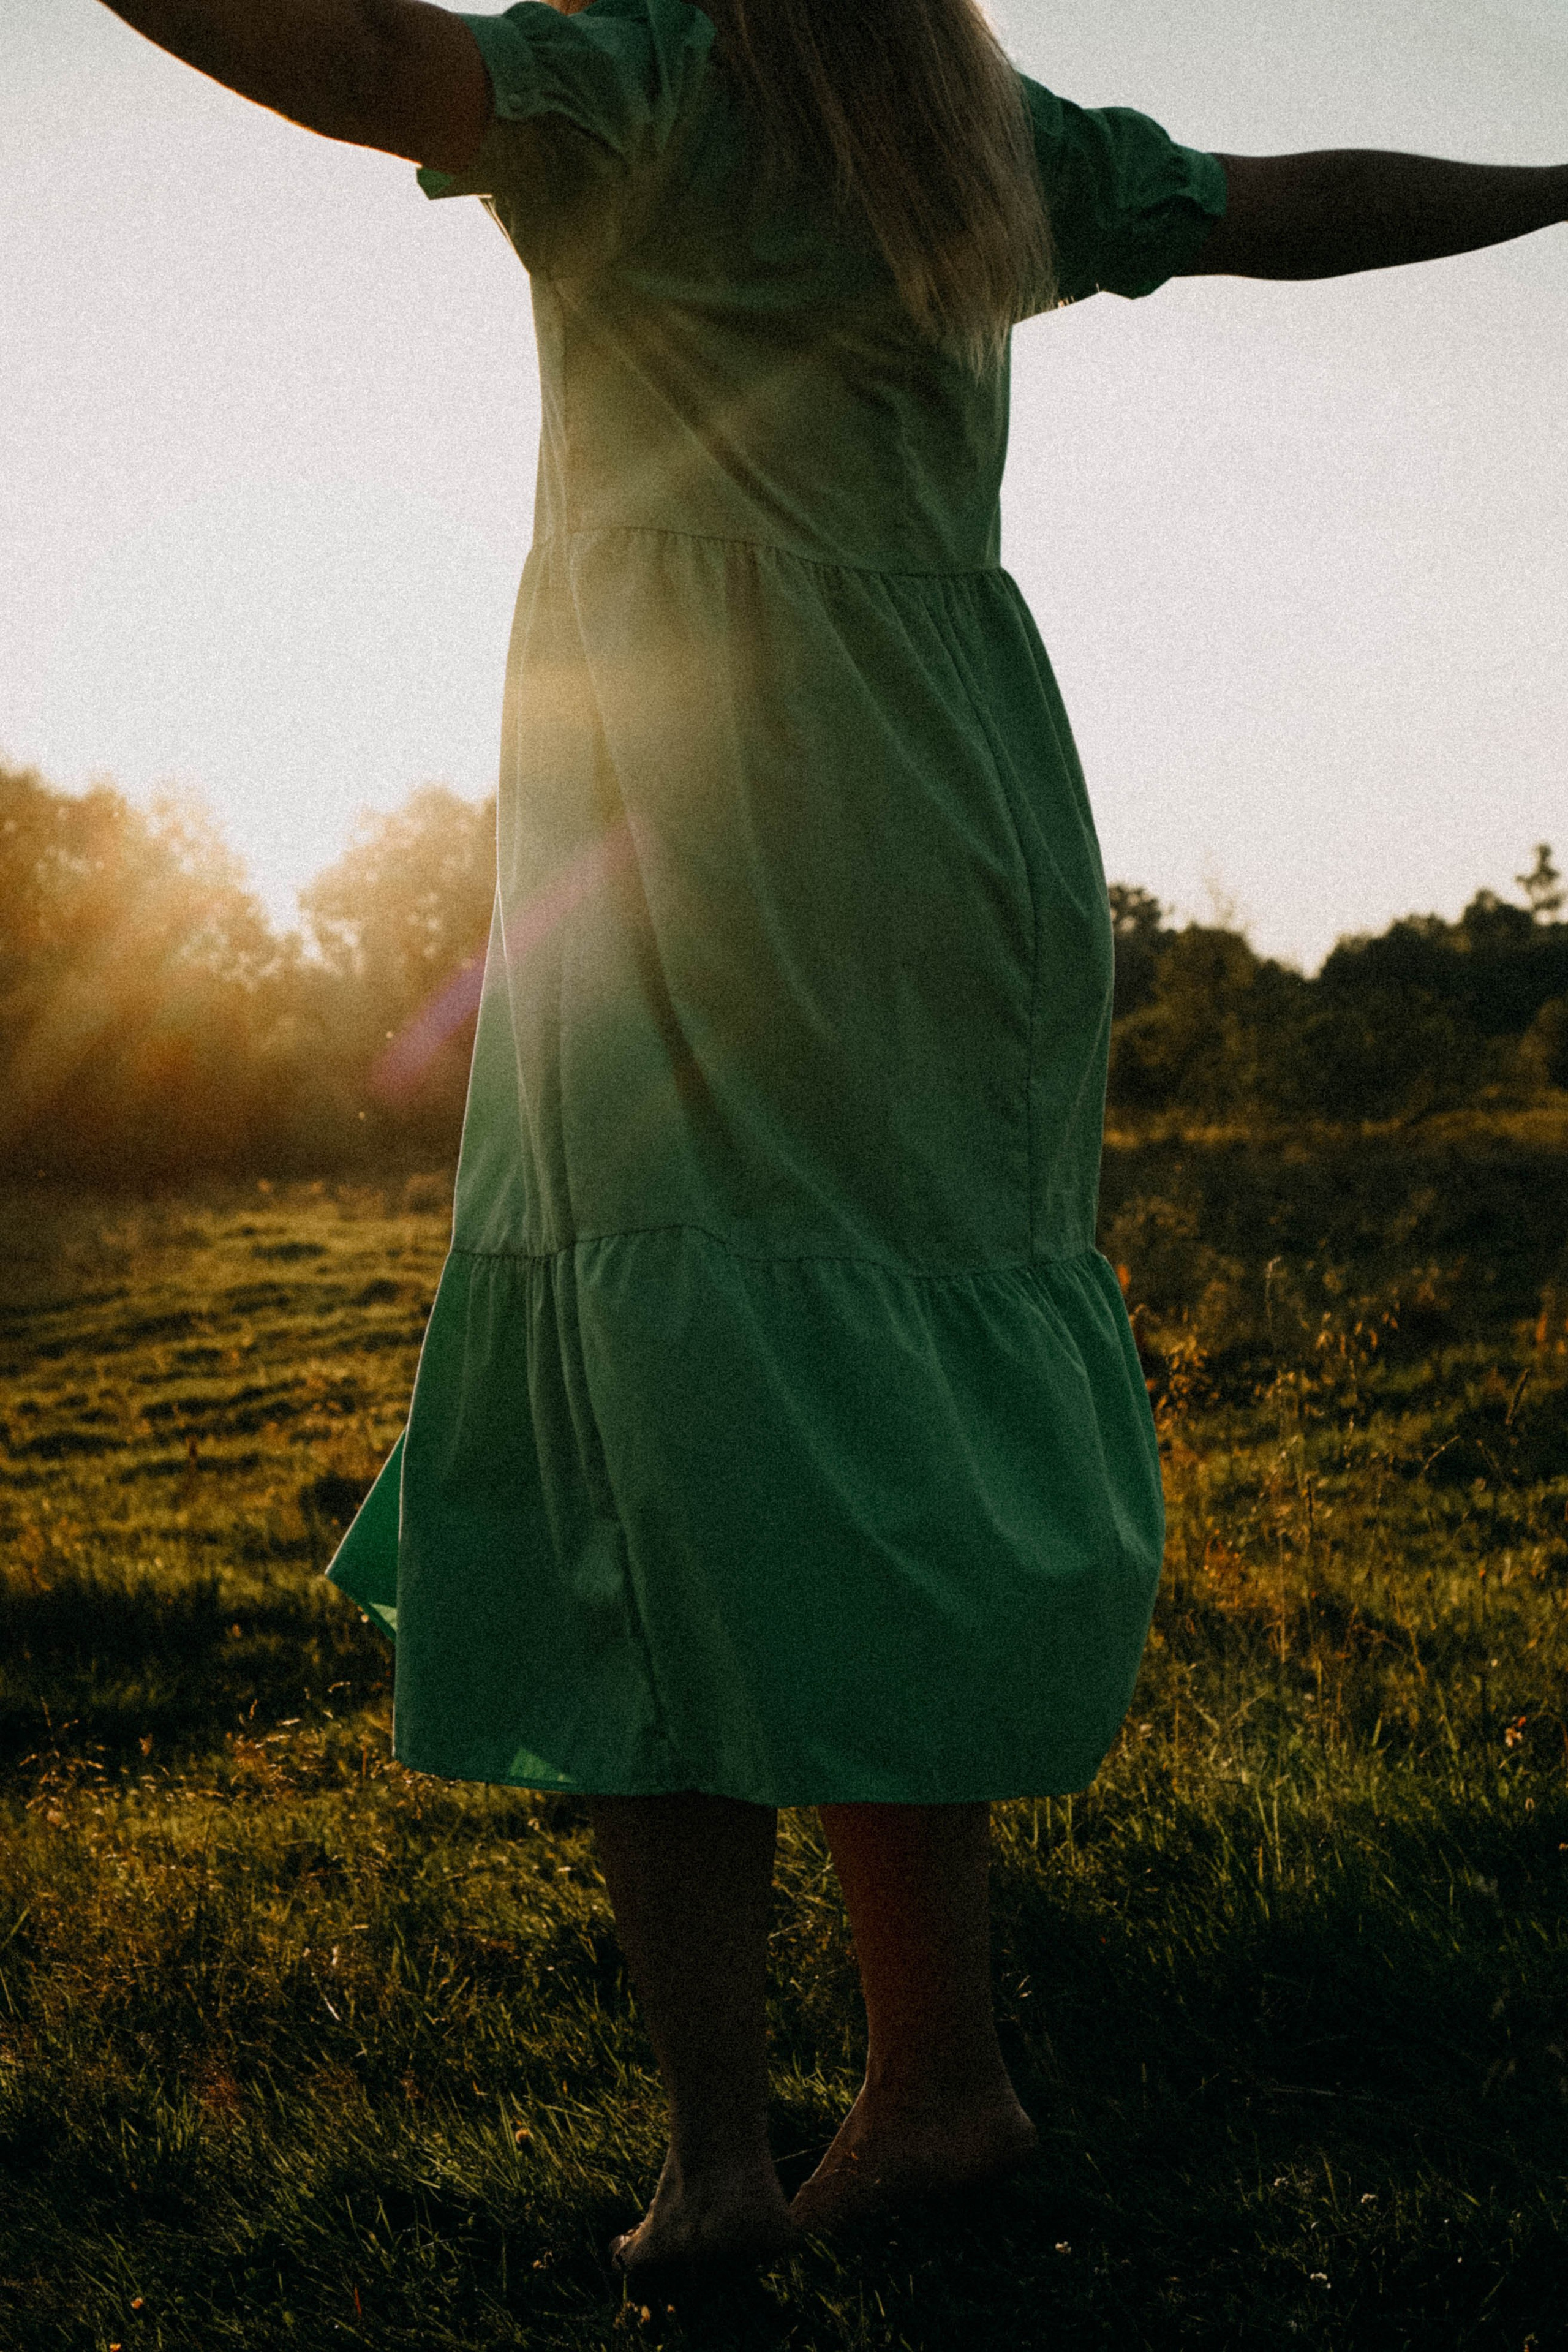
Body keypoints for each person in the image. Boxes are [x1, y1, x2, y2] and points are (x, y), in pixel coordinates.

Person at [99, 0, 1566, 2277]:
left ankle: (720, 2164)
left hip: (700, 828)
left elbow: (369, 63)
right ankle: (939, 2083)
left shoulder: (643, 79)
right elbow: (1294, 206)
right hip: (960, 815)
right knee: (869, 1429)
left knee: (643, 1447)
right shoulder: (973, 130)